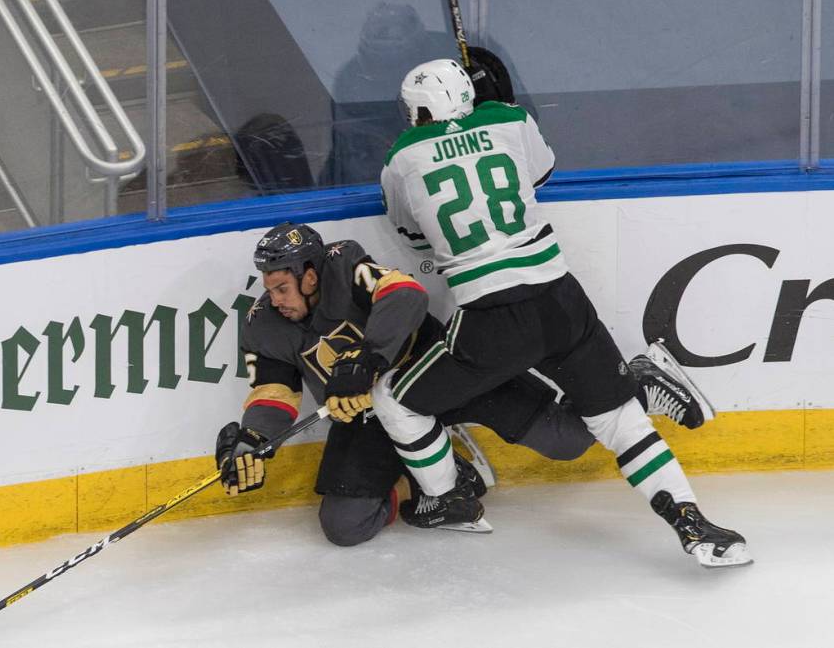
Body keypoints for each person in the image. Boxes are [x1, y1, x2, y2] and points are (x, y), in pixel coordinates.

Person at [373, 59, 751, 568]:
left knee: (393, 400)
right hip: (561, 299)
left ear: (418, 110)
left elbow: (413, 233)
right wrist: (491, 108)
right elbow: (541, 171)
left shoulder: (400, 156)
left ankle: (448, 498)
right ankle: (693, 524)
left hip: (490, 318)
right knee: (621, 422)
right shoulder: (509, 118)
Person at [214, 221, 715, 548]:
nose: (275, 298)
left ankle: (641, 383)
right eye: (269, 288)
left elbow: (406, 296)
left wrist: (367, 360)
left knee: (567, 443)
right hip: (372, 416)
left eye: (282, 286)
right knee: (344, 526)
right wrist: (253, 437)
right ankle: (446, 469)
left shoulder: (346, 266)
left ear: (309, 275)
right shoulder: (265, 323)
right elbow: (273, 391)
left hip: (443, 371)